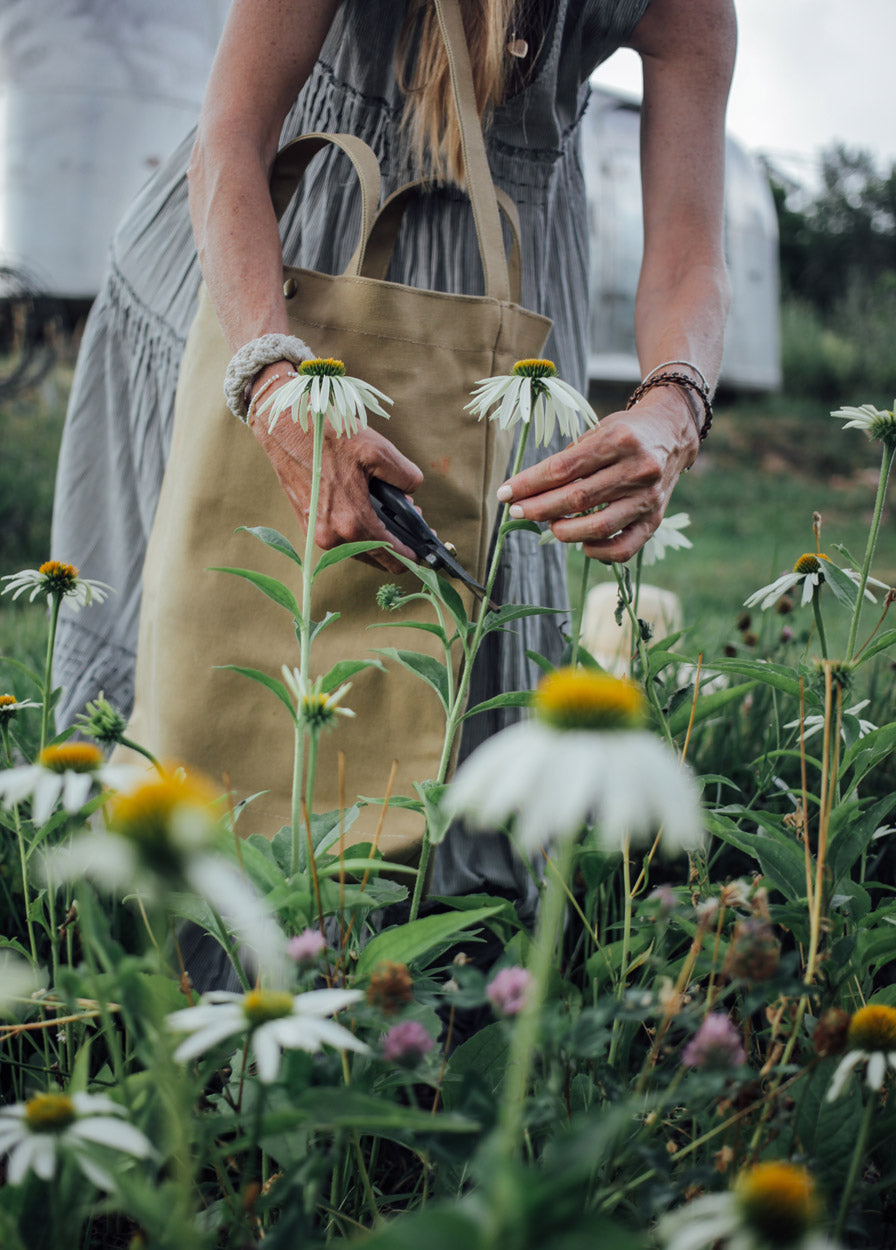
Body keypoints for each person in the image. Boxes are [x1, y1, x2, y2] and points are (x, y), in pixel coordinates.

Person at [51, 0, 736, 975]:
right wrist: (272, 379)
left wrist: (675, 403)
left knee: (466, 684)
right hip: (262, 284)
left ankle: (416, 1047)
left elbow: (688, 242)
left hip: (504, 323)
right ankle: (183, 1044)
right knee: (216, 679)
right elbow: (232, 136)